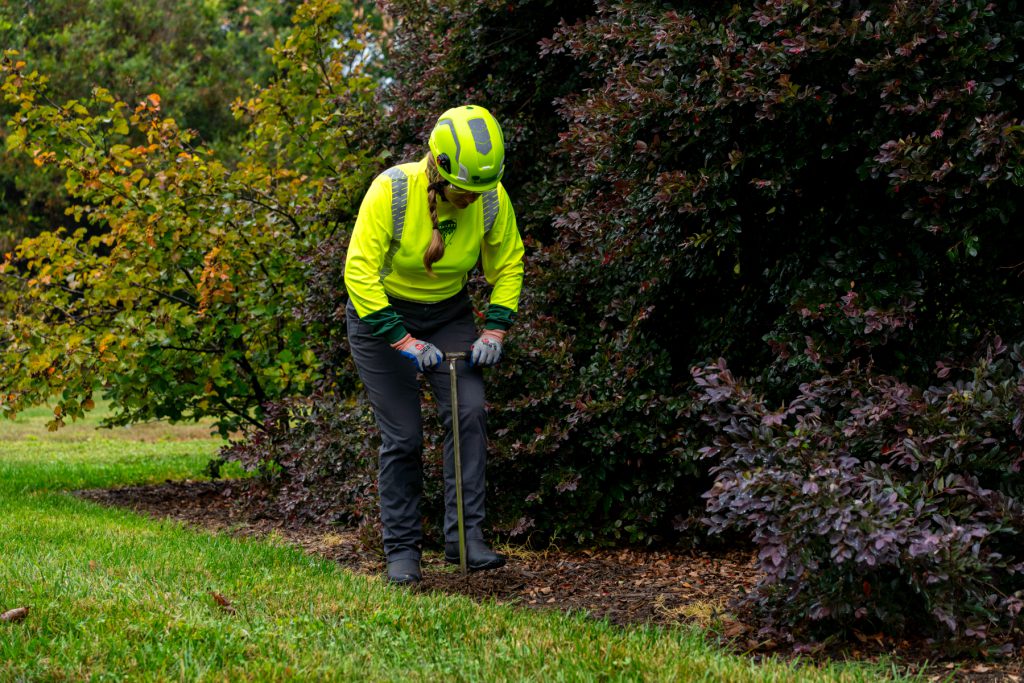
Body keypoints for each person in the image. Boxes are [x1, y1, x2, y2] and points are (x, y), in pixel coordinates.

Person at [343, 105, 525, 585]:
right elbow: (359, 271)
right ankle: (402, 551)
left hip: (448, 314)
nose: (474, 199)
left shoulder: (489, 196)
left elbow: (508, 264)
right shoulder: (393, 189)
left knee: (469, 414)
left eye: (482, 190)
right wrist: (402, 340)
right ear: (440, 168)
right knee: (403, 436)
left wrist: (496, 329)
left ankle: (465, 539)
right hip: (381, 317)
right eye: (465, 189)